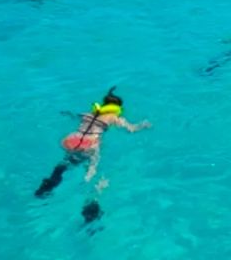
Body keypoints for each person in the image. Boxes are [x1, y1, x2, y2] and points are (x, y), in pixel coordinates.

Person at [34, 87, 150, 221]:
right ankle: (91, 209)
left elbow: (72, 115)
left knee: (64, 164)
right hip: (90, 145)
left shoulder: (87, 114)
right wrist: (144, 125)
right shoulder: (114, 117)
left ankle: (46, 187)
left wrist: (66, 113)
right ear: (117, 107)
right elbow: (131, 129)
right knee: (92, 174)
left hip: (73, 140)